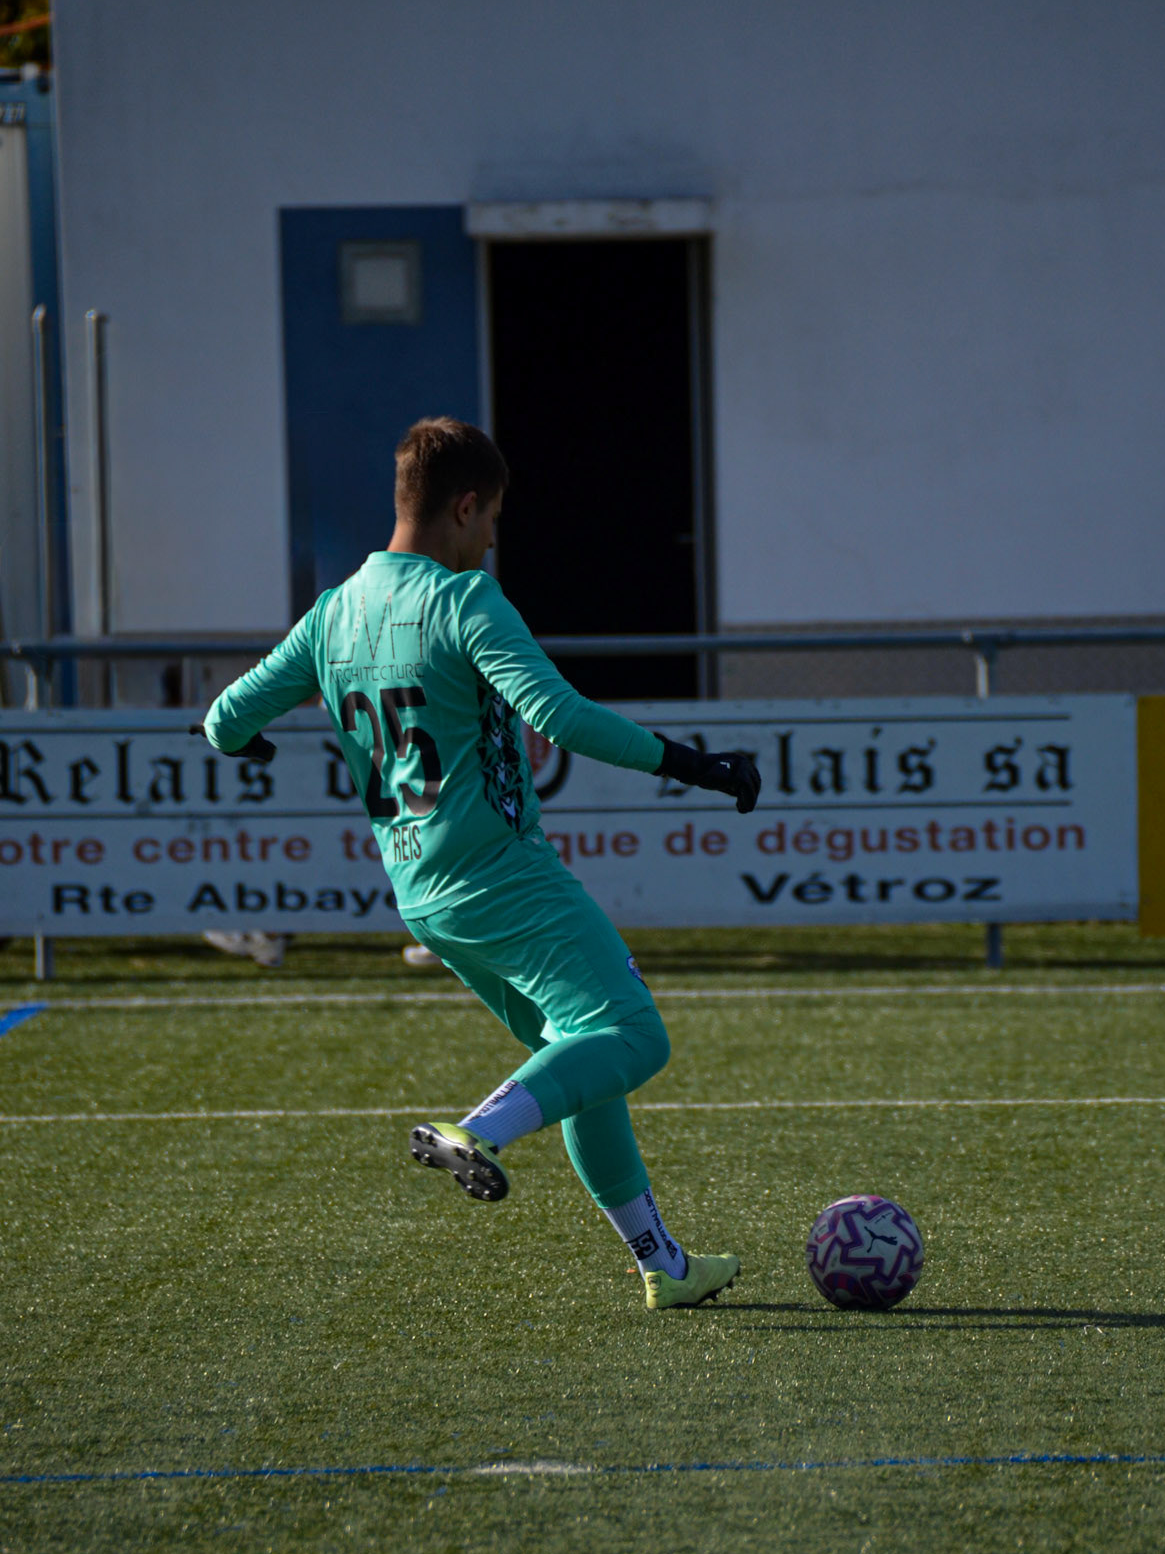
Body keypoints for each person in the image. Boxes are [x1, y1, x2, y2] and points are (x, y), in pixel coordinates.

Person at [198, 417, 760, 1309]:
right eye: (493, 517)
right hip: (505, 875)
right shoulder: (465, 600)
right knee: (634, 1035)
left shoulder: (334, 611)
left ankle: (664, 1265)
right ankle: (479, 1130)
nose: (494, 538)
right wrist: (697, 766)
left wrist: (249, 743)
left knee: (578, 1062)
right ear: (464, 507)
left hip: (424, 894)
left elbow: (225, 718)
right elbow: (560, 717)